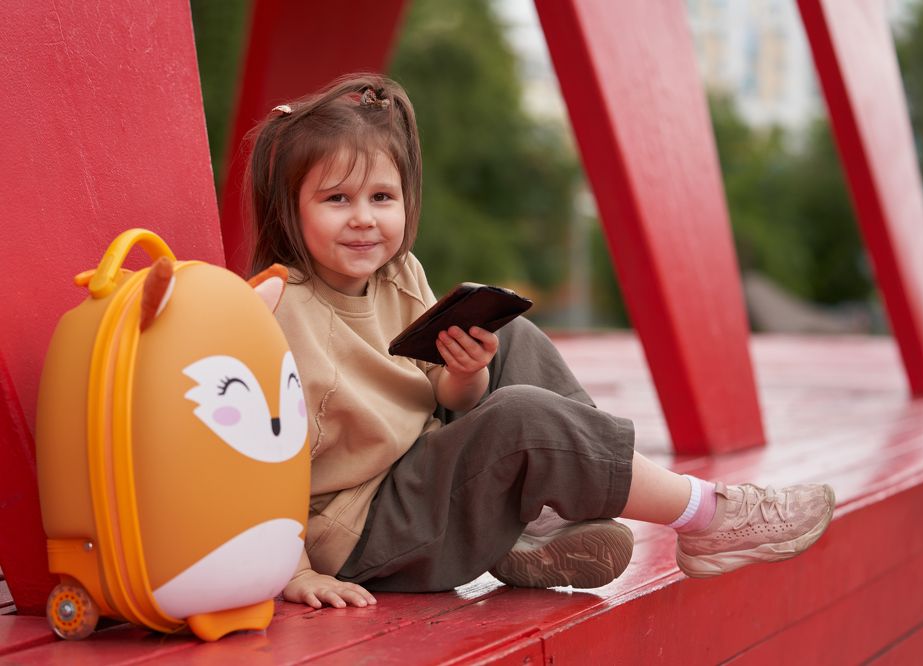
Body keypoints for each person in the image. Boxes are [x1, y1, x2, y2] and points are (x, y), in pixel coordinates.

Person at [244, 73, 835, 610]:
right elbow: (253, 455)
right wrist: (293, 569)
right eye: (336, 199)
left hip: (422, 477)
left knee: (510, 338)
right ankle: (708, 516)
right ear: (291, 212)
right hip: (365, 533)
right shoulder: (275, 311)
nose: (364, 219)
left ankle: (540, 522)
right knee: (519, 416)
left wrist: (467, 370)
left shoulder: (399, 275)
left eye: (381, 198)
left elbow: (453, 397)